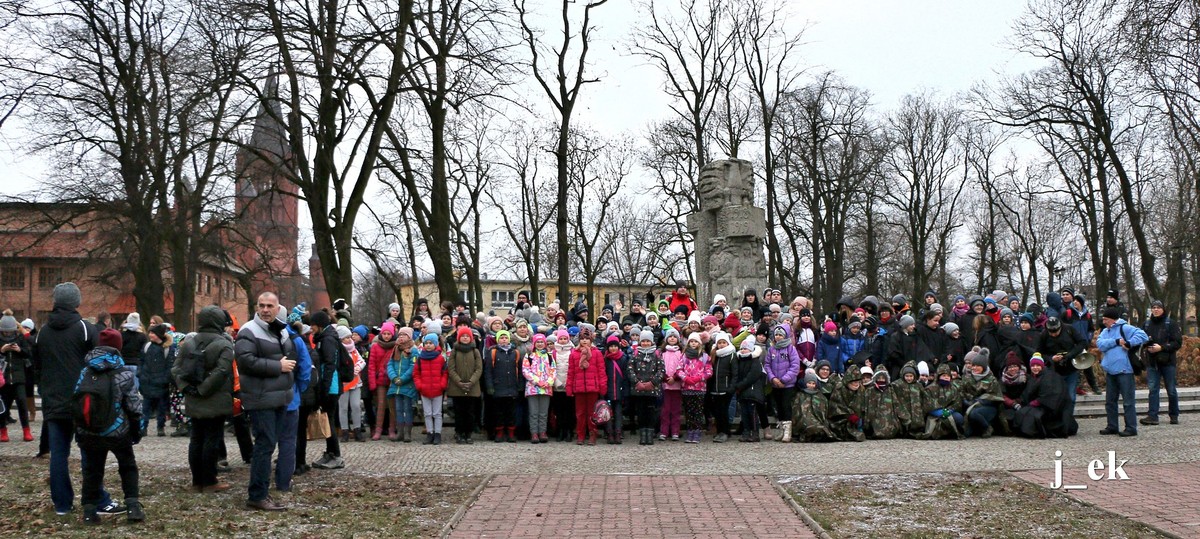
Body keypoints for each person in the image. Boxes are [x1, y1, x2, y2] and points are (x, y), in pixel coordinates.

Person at [34, 282, 120, 516]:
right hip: (83, 402)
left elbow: (37, 366)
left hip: (53, 401)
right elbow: (99, 362)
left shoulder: (43, 331)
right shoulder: (85, 329)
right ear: (77, 303)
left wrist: (45, 389)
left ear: (55, 301)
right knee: (89, 453)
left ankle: (62, 504)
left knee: (58, 454)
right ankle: (96, 499)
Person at [234, 292, 297, 511]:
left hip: (279, 396)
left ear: (278, 307)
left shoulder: (280, 330)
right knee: (264, 445)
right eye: (262, 305)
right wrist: (277, 367)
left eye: (270, 305)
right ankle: (257, 495)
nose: (265, 309)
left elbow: (290, 356)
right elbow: (245, 362)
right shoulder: (248, 330)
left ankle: (261, 492)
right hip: (260, 398)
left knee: (269, 445)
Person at [75, 329, 145, 524]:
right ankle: (133, 507)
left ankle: (89, 511)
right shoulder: (123, 373)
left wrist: (79, 428)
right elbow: (133, 404)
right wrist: (136, 428)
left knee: (92, 470)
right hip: (117, 431)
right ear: (119, 347)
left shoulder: (85, 370)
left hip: (89, 431)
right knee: (128, 466)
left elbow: (77, 399)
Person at [173, 306, 235, 493]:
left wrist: (187, 389)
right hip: (214, 399)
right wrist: (203, 389)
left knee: (196, 439)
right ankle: (209, 481)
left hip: (193, 398)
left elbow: (175, 369)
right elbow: (222, 371)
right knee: (212, 439)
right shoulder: (225, 344)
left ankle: (197, 481)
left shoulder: (189, 343)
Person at [1096, 307, 1148, 437]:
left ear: (1113, 320)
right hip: (1110, 371)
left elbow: (1143, 335)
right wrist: (1116, 341)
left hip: (1125, 370)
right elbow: (1100, 344)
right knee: (1110, 401)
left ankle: (1131, 427)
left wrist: (1130, 343)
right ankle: (1112, 425)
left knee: (1128, 401)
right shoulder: (1105, 331)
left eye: (1106, 319)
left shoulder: (1125, 328)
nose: (1104, 321)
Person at [309, 311, 345, 469]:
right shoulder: (324, 337)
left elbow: (330, 364)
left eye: (313, 325)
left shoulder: (328, 339)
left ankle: (335, 455)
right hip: (328, 384)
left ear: (319, 325)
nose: (311, 328)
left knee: (328, 420)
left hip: (331, 385)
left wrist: (324, 387)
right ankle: (329, 453)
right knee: (327, 419)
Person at [1141, 300, 1182, 426]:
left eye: (1158, 307)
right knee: (1153, 389)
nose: (1156, 310)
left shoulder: (1171, 323)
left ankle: (1174, 415)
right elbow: (1140, 339)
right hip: (1152, 362)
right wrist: (1146, 346)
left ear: (1163, 309)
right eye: (1153, 307)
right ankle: (1152, 416)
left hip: (1168, 362)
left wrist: (1162, 347)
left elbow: (1177, 342)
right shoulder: (1146, 324)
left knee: (1171, 390)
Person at [1014, 354, 1070, 438]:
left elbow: (1050, 394)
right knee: (1021, 412)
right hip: (1037, 404)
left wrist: (1036, 402)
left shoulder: (1049, 376)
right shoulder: (1033, 377)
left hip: (1048, 407)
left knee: (1032, 416)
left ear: (1042, 366)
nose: (1035, 367)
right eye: (1033, 366)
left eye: (1037, 365)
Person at [567, 328, 606, 445]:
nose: (584, 341)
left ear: (591, 340)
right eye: (582, 339)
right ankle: (580, 435)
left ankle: (592, 434)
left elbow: (601, 371)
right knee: (580, 413)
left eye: (587, 339)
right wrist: (569, 387)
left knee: (592, 413)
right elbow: (571, 372)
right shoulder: (574, 354)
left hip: (592, 387)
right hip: (579, 388)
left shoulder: (597, 353)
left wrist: (602, 386)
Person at [484, 330, 522, 443]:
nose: (504, 339)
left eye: (506, 337)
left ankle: (511, 433)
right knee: (499, 413)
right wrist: (490, 386)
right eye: (501, 338)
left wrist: (520, 385)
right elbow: (488, 371)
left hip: (512, 388)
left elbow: (520, 371)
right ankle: (499, 433)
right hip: (498, 387)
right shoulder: (493, 352)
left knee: (511, 413)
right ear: (497, 340)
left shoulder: (515, 352)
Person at [627, 330, 664, 445]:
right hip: (638, 389)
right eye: (643, 341)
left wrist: (652, 383)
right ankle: (643, 434)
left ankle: (650, 433)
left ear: (651, 342)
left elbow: (661, 370)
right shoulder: (635, 354)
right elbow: (630, 369)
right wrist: (637, 382)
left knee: (651, 412)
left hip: (652, 389)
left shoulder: (657, 354)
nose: (645, 343)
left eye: (648, 341)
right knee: (641, 412)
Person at [137, 324, 174, 437]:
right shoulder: (147, 346)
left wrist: (165, 379)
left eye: (152, 333)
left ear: (158, 335)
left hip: (161, 383)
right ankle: (143, 427)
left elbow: (170, 365)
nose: (150, 335)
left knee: (161, 407)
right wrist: (140, 374)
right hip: (147, 381)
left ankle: (160, 427)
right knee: (145, 407)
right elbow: (141, 361)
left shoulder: (167, 348)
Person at [1, 315, 33, 442]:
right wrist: (2, 350)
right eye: (5, 331)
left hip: (19, 376)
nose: (8, 333)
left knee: (22, 402)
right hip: (3, 378)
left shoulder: (20, 338)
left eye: (10, 331)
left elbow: (29, 353)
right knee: (4, 406)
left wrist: (19, 350)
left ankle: (26, 430)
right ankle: (3, 431)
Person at [413, 333, 448, 445]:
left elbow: (445, 373)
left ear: (435, 344)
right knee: (427, 413)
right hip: (425, 390)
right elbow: (416, 373)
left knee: (437, 413)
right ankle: (430, 433)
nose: (428, 345)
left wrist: (442, 385)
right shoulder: (420, 358)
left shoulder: (440, 358)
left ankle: (437, 434)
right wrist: (419, 385)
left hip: (437, 390)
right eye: (426, 343)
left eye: (430, 343)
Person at [681, 331, 714, 444]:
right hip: (687, 388)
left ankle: (697, 431)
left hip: (700, 388)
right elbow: (678, 370)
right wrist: (686, 378)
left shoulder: (705, 357)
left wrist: (699, 378)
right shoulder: (684, 356)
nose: (693, 343)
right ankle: (690, 430)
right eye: (691, 341)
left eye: (695, 341)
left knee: (698, 411)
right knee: (689, 412)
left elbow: (709, 371)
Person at [523, 333, 557, 443]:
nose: (540, 344)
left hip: (546, 388)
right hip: (532, 388)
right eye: (538, 342)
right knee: (533, 412)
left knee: (543, 412)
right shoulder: (529, 356)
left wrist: (548, 382)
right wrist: (537, 381)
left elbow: (553, 370)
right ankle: (534, 433)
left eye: (542, 342)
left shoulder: (549, 356)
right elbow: (526, 370)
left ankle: (543, 432)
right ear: (534, 343)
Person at [368, 322, 399, 440]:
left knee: (392, 406)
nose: (386, 336)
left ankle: (392, 428)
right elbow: (371, 366)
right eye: (384, 333)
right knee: (381, 404)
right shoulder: (375, 346)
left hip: (392, 380)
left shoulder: (396, 346)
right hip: (380, 380)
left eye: (388, 334)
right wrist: (372, 383)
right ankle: (378, 429)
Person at [336, 326, 367, 442]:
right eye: (346, 338)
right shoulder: (338, 351)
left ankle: (357, 430)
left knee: (356, 406)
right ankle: (344, 431)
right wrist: (347, 371)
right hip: (344, 382)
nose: (349, 339)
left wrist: (356, 369)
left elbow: (361, 361)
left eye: (350, 337)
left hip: (355, 381)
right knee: (343, 408)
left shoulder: (354, 350)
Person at [387, 327, 417, 442]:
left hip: (407, 384)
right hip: (396, 384)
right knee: (398, 408)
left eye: (404, 335)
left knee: (407, 408)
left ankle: (407, 433)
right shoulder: (396, 349)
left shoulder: (413, 350)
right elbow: (390, 364)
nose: (401, 337)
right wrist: (394, 377)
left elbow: (413, 367)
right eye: (399, 335)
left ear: (409, 337)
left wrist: (403, 379)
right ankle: (400, 432)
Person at [601, 335, 628, 444]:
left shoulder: (623, 358)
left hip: (619, 390)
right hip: (608, 390)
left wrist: (625, 391)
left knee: (618, 413)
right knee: (607, 413)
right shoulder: (605, 359)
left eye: (615, 346)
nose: (613, 348)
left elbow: (626, 376)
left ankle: (618, 433)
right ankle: (609, 433)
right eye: (611, 346)